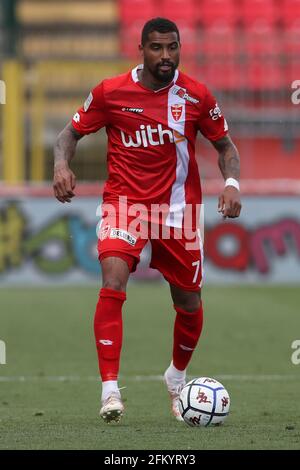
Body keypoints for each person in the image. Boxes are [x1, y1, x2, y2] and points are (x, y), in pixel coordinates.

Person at [53, 17, 241, 424]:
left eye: (172, 47)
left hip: (179, 210)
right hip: (125, 204)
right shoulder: (110, 92)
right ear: (141, 49)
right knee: (113, 280)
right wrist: (60, 166)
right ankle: (109, 391)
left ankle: (176, 378)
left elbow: (225, 146)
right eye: (156, 48)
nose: (166, 56)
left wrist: (231, 182)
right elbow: (68, 135)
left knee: (188, 303)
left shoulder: (196, 96)